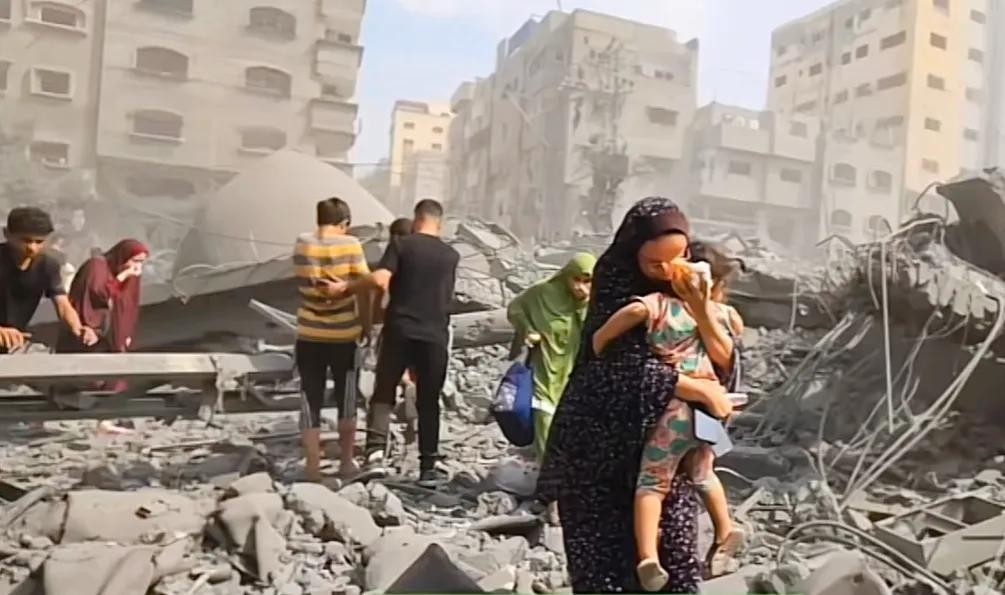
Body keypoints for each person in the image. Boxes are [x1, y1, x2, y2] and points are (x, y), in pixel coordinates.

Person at [536, 197, 736, 593]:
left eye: (677, 257)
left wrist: (700, 308)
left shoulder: (694, 292)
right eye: (654, 263)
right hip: (600, 458)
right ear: (634, 254)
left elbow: (725, 360)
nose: (667, 270)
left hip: (669, 452)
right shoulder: (617, 290)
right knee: (607, 575)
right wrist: (697, 388)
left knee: (676, 569)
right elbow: (612, 364)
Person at [592, 242, 746, 588]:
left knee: (652, 483)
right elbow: (733, 342)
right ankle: (725, 527)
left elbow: (616, 327)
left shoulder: (657, 306)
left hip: (674, 411)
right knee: (704, 473)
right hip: (712, 411)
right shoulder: (723, 314)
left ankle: (648, 557)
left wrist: (599, 340)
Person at [330, 199, 460, 487]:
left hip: (400, 331)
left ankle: (375, 456)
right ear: (439, 222)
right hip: (435, 335)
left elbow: (380, 280)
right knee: (428, 400)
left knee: (384, 392)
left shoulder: (402, 245)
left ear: (416, 218)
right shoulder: (451, 255)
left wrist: (346, 287)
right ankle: (428, 468)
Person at [293, 198, 372, 482]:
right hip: (344, 335)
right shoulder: (351, 245)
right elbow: (365, 286)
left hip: (309, 334)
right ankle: (346, 462)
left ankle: (312, 466)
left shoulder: (302, 244)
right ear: (344, 223)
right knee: (347, 399)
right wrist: (366, 325)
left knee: (309, 398)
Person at [54, 239, 149, 435]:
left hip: (109, 332)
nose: (137, 267)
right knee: (84, 375)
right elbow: (97, 295)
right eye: (134, 261)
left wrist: (125, 334)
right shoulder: (96, 267)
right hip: (88, 328)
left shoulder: (128, 272)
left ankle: (105, 419)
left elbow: (127, 304)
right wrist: (122, 276)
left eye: (141, 262)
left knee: (116, 373)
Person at [506, 253, 596, 460]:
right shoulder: (543, 293)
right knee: (545, 414)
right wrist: (528, 330)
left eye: (587, 281)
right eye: (575, 279)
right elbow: (515, 309)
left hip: (575, 366)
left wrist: (586, 301)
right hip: (546, 364)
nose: (579, 286)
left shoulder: (595, 301)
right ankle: (546, 466)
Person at [0, 207, 98, 353]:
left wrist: (79, 329)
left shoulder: (47, 266)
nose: (32, 248)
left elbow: (63, 305)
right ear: (7, 234)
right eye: (26, 240)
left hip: (14, 340)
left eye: (39, 242)